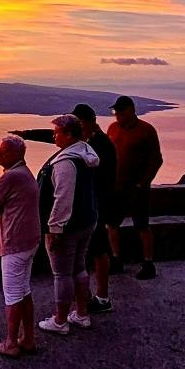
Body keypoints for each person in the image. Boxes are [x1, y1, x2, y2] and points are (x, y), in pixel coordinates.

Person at [35, 114, 99, 336]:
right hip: (87, 220)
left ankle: (60, 320)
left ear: (69, 134)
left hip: (68, 227)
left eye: (57, 132)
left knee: (62, 274)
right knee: (79, 268)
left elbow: (62, 197)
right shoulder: (85, 153)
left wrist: (54, 229)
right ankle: (81, 314)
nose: (53, 136)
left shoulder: (66, 162)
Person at [0, 134, 41, 357]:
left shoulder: (10, 177)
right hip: (29, 241)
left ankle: (11, 344)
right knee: (24, 290)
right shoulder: (25, 173)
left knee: (13, 294)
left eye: (3, 151)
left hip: (14, 243)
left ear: (16, 153)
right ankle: (28, 339)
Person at [106, 95, 164, 279]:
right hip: (116, 187)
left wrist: (143, 182)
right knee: (111, 224)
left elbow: (156, 159)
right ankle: (116, 259)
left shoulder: (146, 130)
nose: (117, 115)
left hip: (137, 188)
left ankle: (148, 263)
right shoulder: (113, 128)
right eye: (116, 111)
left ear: (131, 110)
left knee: (142, 226)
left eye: (121, 111)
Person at [73, 103, 121, 312]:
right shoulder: (89, 140)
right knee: (90, 250)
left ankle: (102, 297)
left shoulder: (102, 144)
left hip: (98, 204)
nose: (78, 128)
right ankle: (91, 295)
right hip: (91, 204)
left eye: (79, 123)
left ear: (90, 122)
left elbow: (103, 178)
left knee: (99, 250)